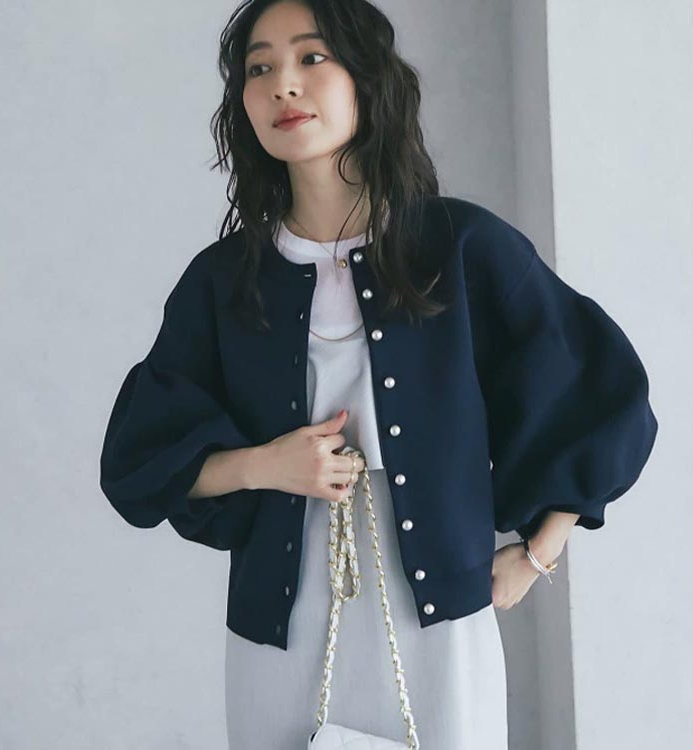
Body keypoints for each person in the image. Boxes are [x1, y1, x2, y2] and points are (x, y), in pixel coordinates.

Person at [99, 1, 658, 748]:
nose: (283, 84)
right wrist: (266, 465)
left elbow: (599, 393)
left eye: (311, 57)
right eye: (260, 68)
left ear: (366, 78)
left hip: (437, 625)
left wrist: (538, 552)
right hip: (278, 635)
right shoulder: (224, 281)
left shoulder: (460, 247)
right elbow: (139, 462)